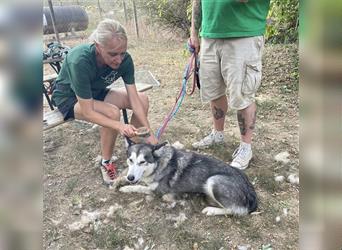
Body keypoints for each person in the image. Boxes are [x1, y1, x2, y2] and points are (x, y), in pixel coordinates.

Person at [51, 19, 158, 185]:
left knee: (142, 99)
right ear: (98, 46)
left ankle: (134, 149)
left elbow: (134, 99)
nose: (119, 59)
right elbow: (88, 111)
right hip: (69, 98)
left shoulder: (125, 60)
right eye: (113, 54)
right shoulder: (80, 60)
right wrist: (121, 126)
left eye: (122, 53)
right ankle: (106, 162)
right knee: (111, 112)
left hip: (96, 93)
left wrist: (149, 133)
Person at [190, 0, 270, 170]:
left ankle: (245, 148)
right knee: (214, 91)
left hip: (243, 35)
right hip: (210, 34)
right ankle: (217, 134)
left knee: (242, 95)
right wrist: (194, 32)